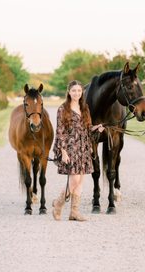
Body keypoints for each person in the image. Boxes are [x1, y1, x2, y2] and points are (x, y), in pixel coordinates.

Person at [52, 80, 104, 222]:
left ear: (82, 92)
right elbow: (60, 131)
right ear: (69, 92)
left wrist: (96, 127)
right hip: (70, 147)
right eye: (74, 90)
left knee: (80, 180)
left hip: (83, 147)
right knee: (74, 179)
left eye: (79, 91)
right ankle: (58, 203)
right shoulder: (63, 109)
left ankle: (74, 212)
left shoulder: (85, 107)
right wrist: (63, 151)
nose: (76, 93)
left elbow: (87, 127)